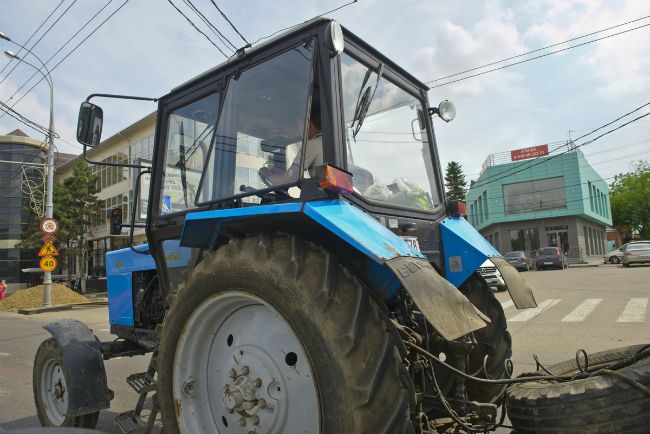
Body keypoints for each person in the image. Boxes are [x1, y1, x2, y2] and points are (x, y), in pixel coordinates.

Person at [259, 102, 322, 185]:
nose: (299, 130)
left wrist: (267, 174)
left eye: (299, 125)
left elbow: (290, 178)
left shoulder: (311, 145)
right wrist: (283, 174)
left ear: (310, 125)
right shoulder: (324, 142)